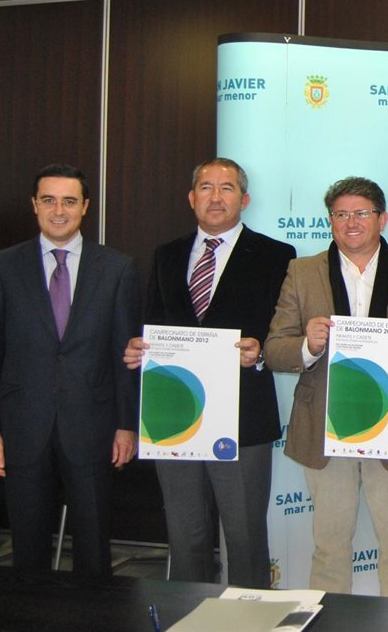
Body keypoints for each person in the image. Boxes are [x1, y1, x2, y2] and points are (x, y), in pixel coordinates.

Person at [123, 158, 295, 587]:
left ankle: (251, 616)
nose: (215, 197)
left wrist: (260, 351)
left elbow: (284, 332)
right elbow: (154, 324)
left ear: (245, 199)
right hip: (175, 418)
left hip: (242, 418)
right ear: (191, 197)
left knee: (245, 537)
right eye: (206, 187)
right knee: (186, 537)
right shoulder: (166, 255)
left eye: (227, 188)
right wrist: (140, 349)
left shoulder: (276, 255)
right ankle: (190, 613)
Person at [0, 164, 139, 574]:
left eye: (69, 201)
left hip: (93, 427)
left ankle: (93, 609)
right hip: (23, 427)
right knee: (27, 548)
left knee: (94, 545)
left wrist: (126, 425)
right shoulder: (3, 266)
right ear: (34, 205)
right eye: (49, 200)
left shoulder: (117, 268)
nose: (59, 210)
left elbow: (124, 356)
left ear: (85, 206)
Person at [265, 176, 388, 596]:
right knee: (329, 547)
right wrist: (307, 346)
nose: (351, 223)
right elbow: (274, 349)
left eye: (361, 213)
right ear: (330, 220)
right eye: (341, 214)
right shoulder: (302, 271)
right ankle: (331, 622)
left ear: (382, 219)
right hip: (325, 426)